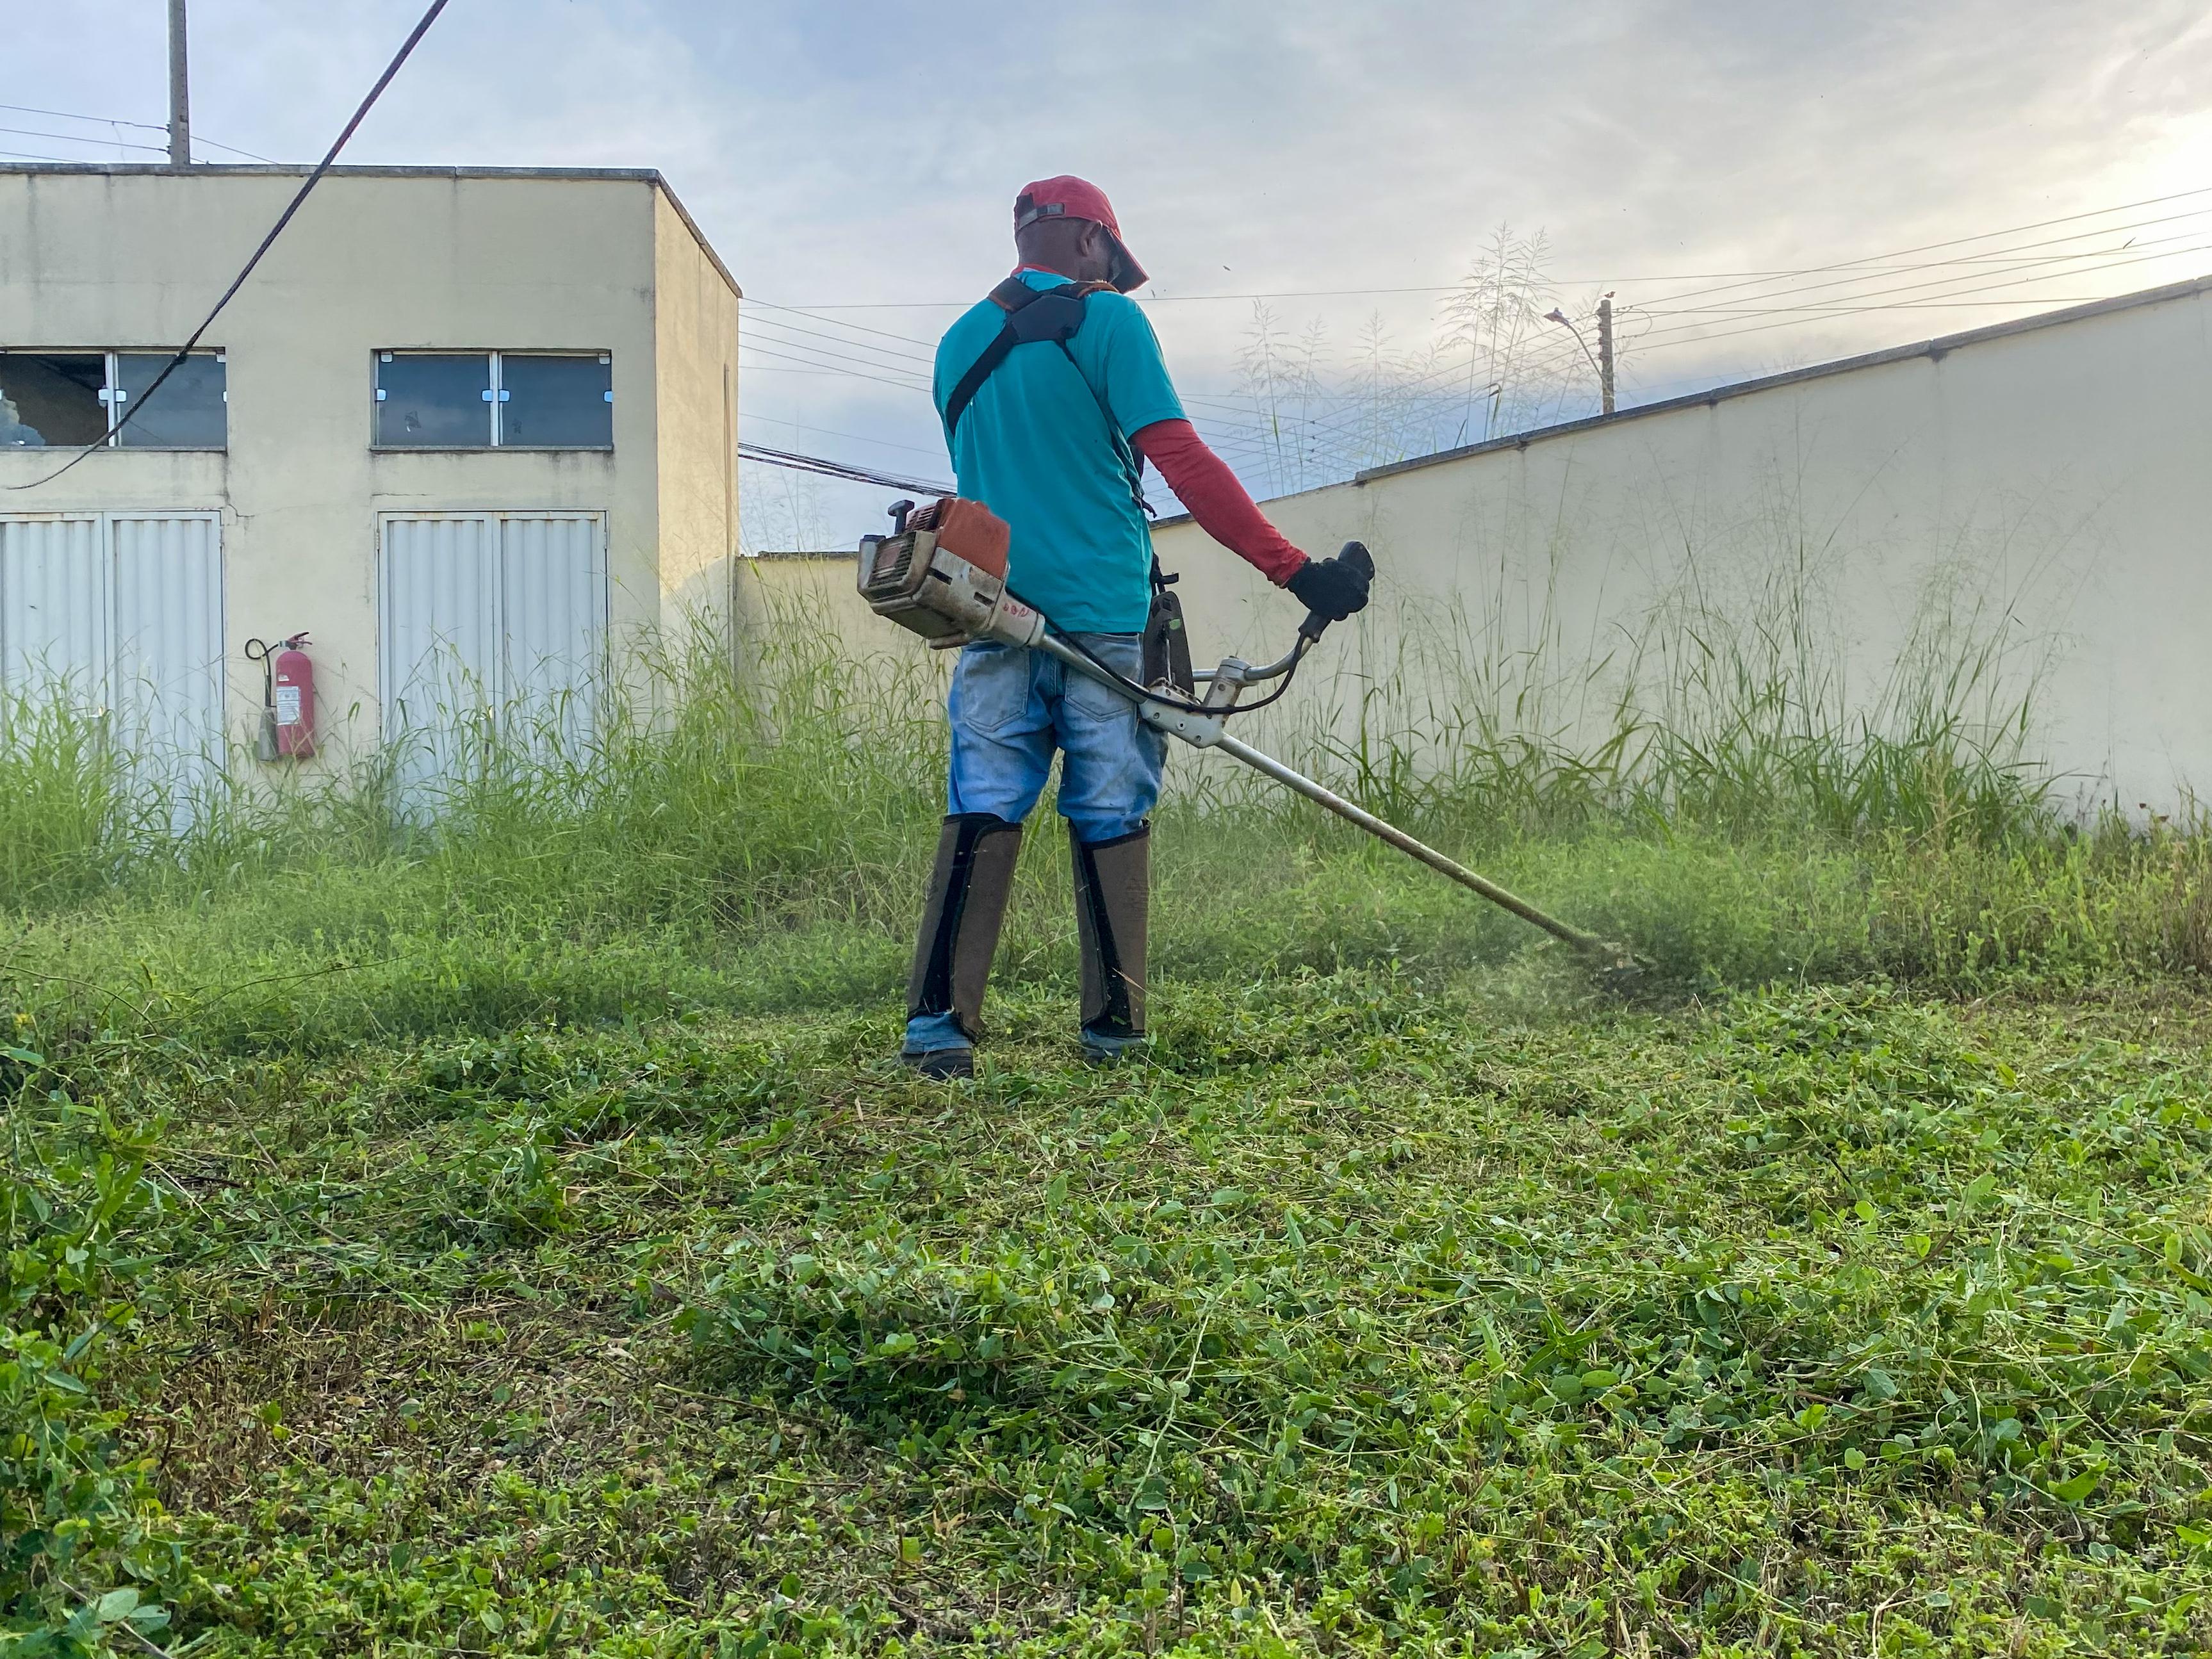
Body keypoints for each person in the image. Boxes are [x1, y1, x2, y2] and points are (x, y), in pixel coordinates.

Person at [902, 175, 1371, 1079]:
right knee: (1111, 809)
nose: (1116, 274)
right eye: (1114, 259)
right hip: (1106, 624)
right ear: (1092, 244)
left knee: (982, 808)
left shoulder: (956, 344)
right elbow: (1181, 459)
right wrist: (1297, 570)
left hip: (992, 614)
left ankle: (937, 1033)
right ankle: (1112, 1033)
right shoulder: (1106, 318)